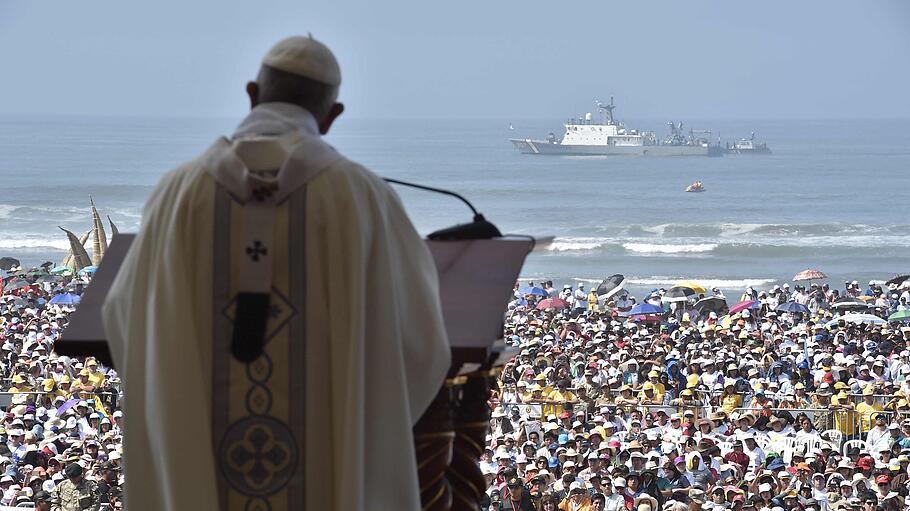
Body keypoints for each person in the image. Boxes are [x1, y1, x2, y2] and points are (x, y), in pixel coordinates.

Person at [102, 35, 451, 511]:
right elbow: (420, 342)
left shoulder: (178, 194)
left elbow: (126, 318)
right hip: (330, 477)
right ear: (332, 116)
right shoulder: (361, 198)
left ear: (251, 93)